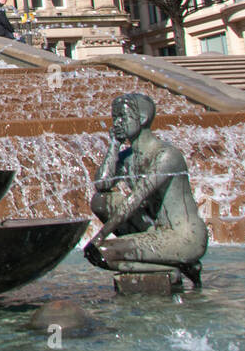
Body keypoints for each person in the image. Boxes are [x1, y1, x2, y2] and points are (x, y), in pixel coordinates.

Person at [84, 93, 208, 286]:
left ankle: (176, 265)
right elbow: (102, 184)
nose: (116, 123)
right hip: (156, 231)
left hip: (184, 237)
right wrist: (114, 145)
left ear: (141, 119)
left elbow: (135, 199)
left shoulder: (166, 156)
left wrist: (98, 239)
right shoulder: (126, 157)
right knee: (101, 201)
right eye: (114, 117)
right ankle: (174, 265)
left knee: (103, 254)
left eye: (122, 117)